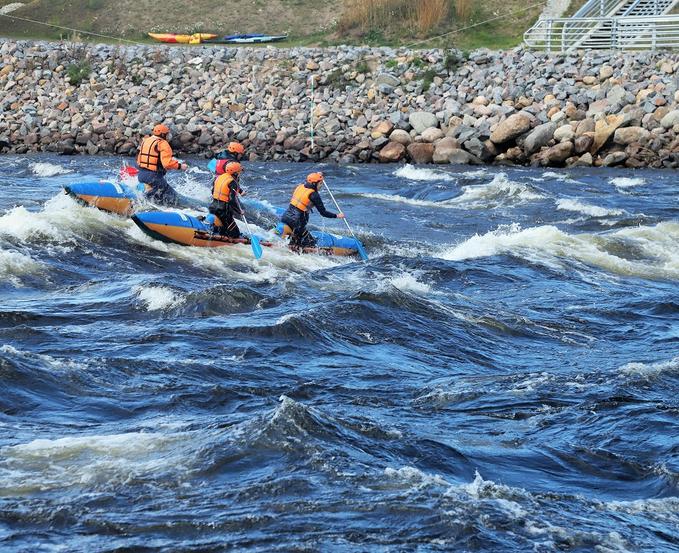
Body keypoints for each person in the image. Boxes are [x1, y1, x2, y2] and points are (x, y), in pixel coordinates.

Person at [280, 172, 344, 248]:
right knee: (311, 243)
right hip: (297, 222)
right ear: (314, 184)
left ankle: (292, 245)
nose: (321, 186)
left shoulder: (300, 186)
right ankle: (303, 250)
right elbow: (323, 213)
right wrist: (337, 215)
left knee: (297, 238)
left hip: (286, 217)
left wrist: (318, 175)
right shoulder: (314, 195)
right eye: (320, 184)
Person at [136, 124, 188, 205]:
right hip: (153, 177)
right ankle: (144, 201)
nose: (168, 136)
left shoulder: (146, 140)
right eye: (167, 134)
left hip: (141, 175)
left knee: (158, 193)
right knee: (173, 197)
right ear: (163, 134)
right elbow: (167, 164)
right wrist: (180, 166)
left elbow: (139, 159)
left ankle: (144, 197)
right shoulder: (163, 143)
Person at [209, 161, 245, 238]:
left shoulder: (219, 177)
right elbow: (232, 200)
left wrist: (240, 191)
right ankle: (230, 237)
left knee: (220, 227)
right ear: (235, 173)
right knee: (235, 234)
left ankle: (218, 233)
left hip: (214, 206)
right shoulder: (232, 182)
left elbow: (213, 191)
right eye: (239, 172)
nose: (240, 174)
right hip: (224, 210)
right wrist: (239, 211)